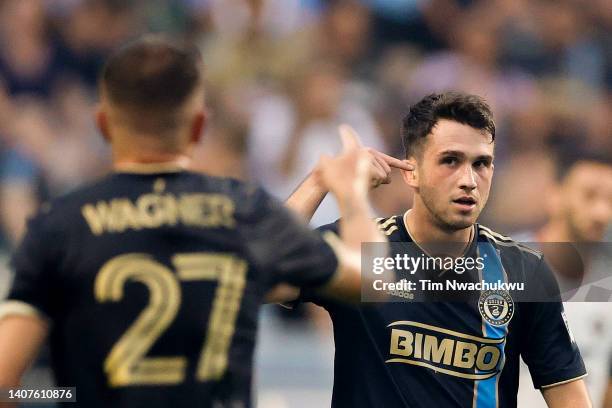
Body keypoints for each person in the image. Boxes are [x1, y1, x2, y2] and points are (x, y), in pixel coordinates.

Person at [0, 36, 390, 408]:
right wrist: (350, 191)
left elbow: (4, 380)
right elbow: (373, 279)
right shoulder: (242, 212)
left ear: (103, 124)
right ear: (199, 127)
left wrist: (64, 398)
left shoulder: (59, 225)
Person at [283, 92, 592, 407]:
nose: (468, 180)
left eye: (481, 163)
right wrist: (320, 180)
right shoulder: (362, 247)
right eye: (450, 161)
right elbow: (265, 269)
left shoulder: (524, 271)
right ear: (411, 172)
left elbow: (571, 398)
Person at [514, 152, 612, 408]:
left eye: (610, 200)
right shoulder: (503, 266)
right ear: (554, 197)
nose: (602, 212)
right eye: (589, 196)